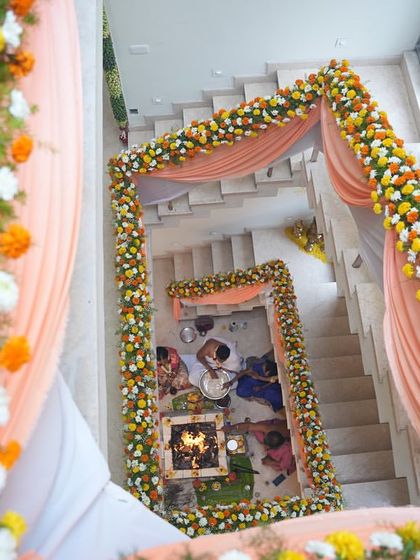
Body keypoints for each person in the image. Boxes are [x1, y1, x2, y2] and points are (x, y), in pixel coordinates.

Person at [224, 419, 296, 474]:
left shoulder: (286, 453)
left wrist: (268, 460)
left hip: (286, 450)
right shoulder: (270, 429)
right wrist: (231, 427)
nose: (264, 447)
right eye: (265, 443)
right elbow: (249, 426)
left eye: (266, 446)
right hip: (278, 428)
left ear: (274, 448)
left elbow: (268, 462)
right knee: (257, 429)